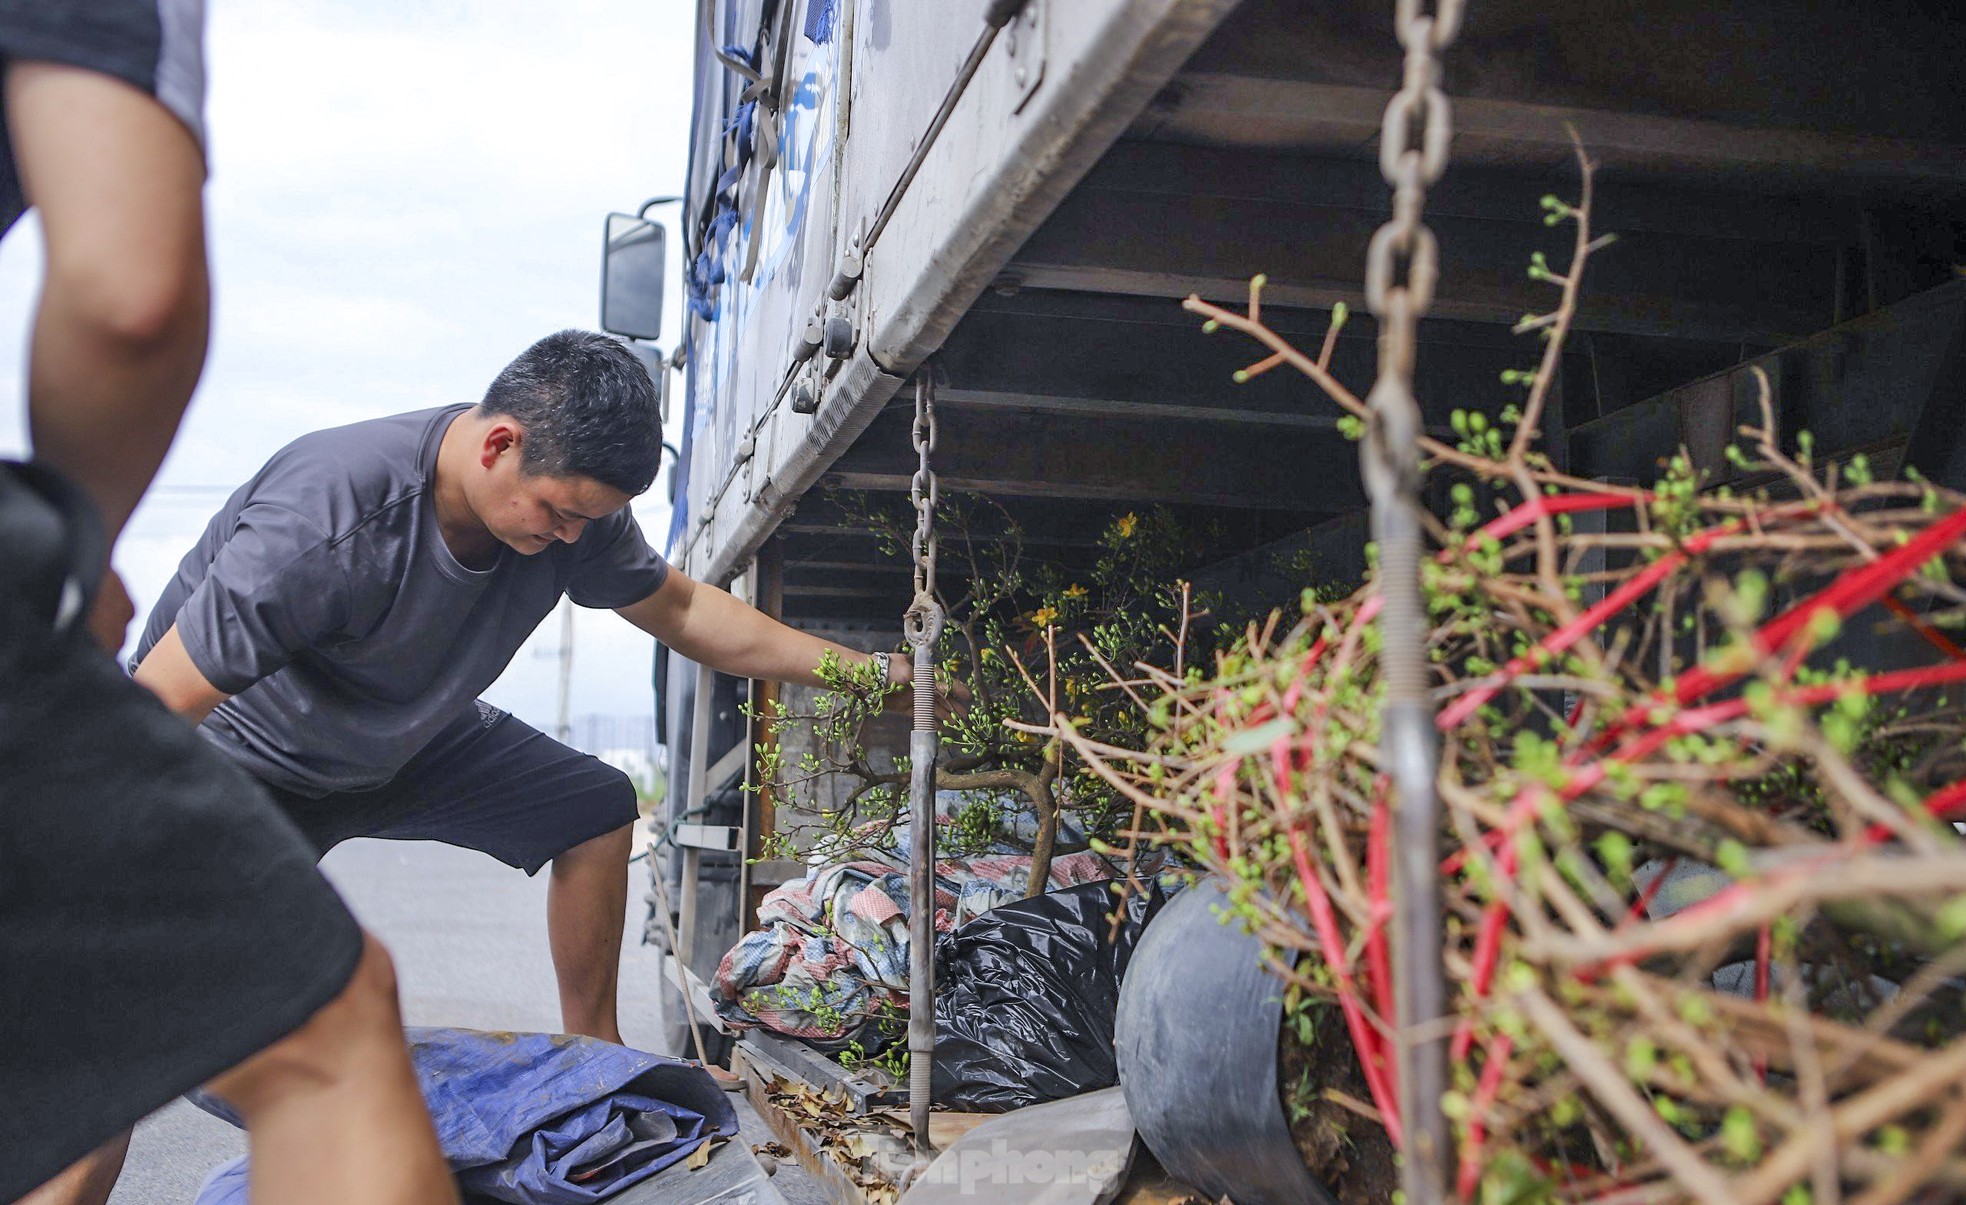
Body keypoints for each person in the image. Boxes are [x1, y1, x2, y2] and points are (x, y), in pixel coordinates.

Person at [129, 328, 918, 1047]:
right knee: (127, 1029)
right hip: (253, 756)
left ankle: (597, 1061)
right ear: (499, 443)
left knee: (596, 807)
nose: (570, 537)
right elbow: (156, 702)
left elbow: (681, 608)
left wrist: (867, 673)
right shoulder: (328, 513)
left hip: (405, 739)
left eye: (587, 521)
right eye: (559, 513)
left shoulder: (575, 518)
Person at [0, 7, 456, 1205]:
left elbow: (675, 602)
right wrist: (74, 553)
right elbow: (128, 297)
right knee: (323, 1030)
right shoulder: (337, 509)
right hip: (228, 740)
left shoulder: (568, 539)